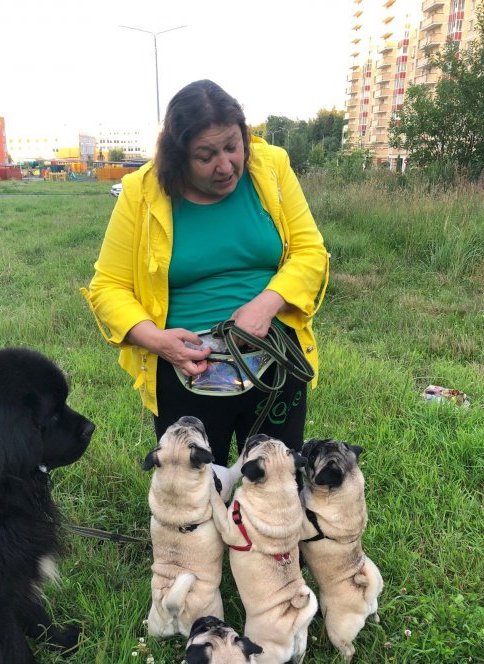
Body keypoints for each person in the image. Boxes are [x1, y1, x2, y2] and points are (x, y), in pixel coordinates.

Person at [82, 80, 328, 466]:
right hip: (184, 369)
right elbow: (108, 287)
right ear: (178, 157)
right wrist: (159, 342)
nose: (226, 165)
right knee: (189, 500)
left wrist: (265, 306)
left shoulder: (272, 168)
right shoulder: (141, 192)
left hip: (274, 362)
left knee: (277, 490)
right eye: (206, 155)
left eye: (232, 146)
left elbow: (310, 252)